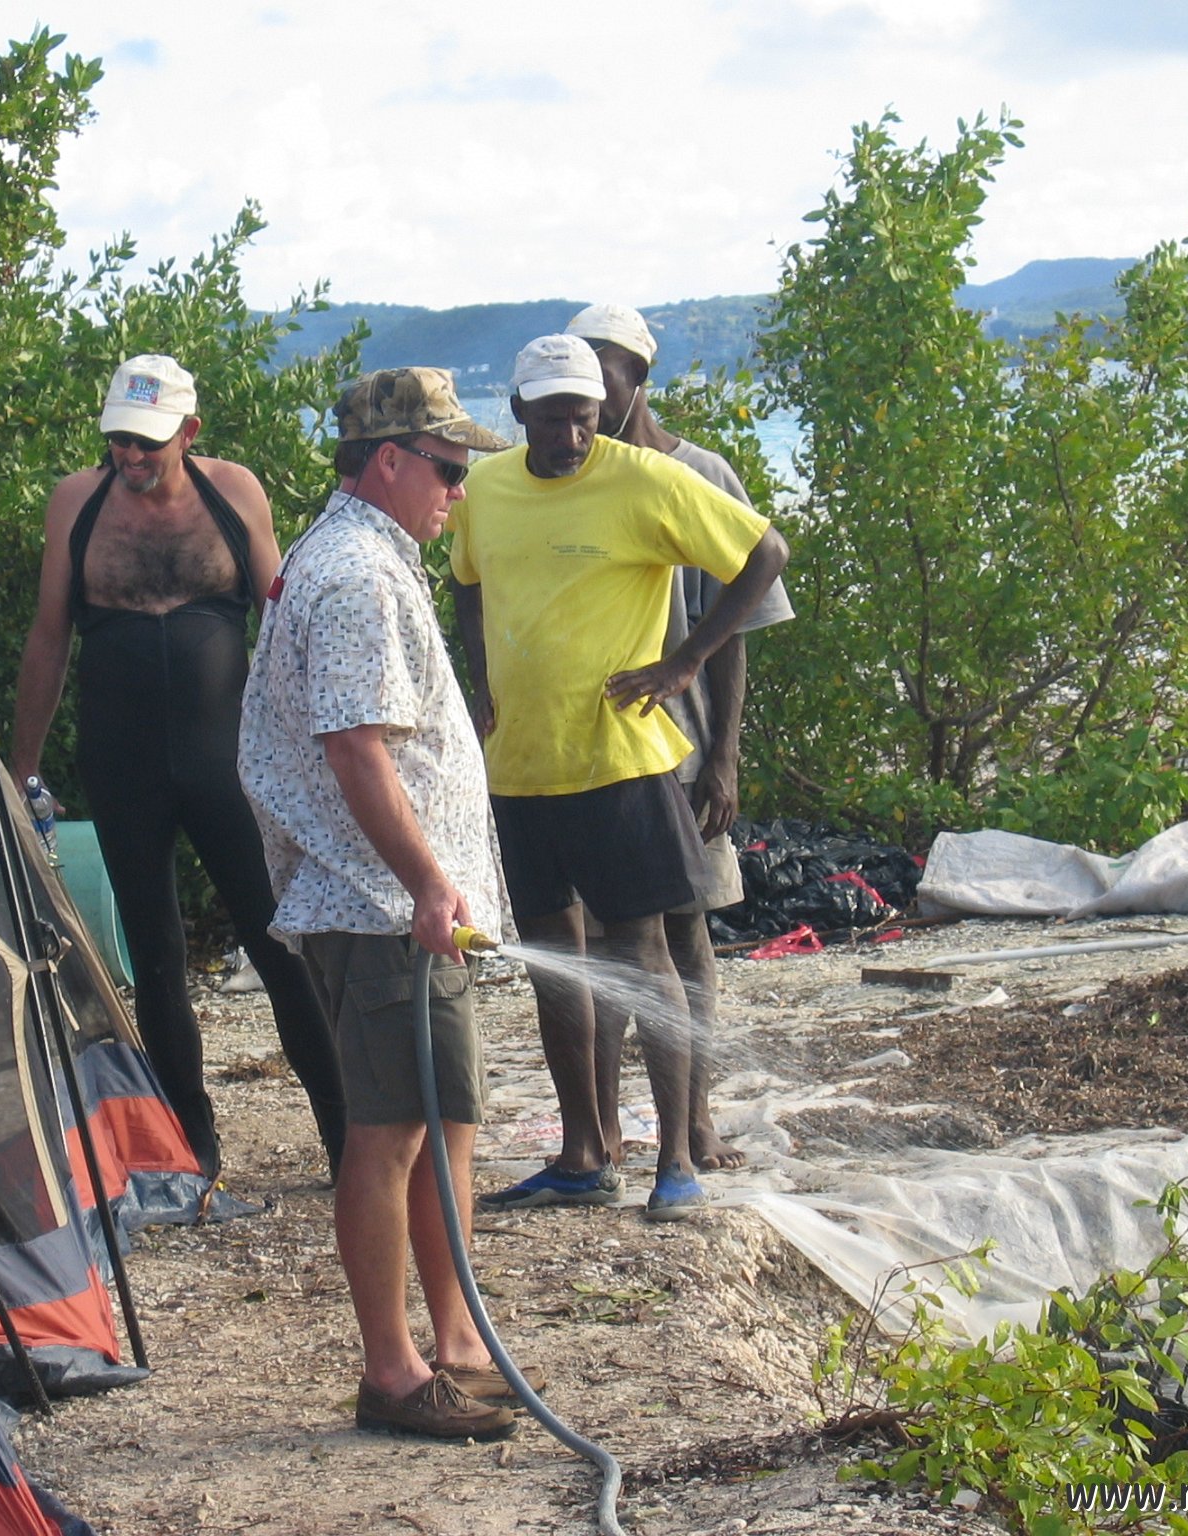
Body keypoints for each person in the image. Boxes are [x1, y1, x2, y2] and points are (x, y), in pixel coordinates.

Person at [449, 334, 788, 1220]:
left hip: (622, 765)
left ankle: (675, 1163)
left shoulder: (642, 478)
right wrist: (479, 681)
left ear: (604, 411)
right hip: (520, 769)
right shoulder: (484, 488)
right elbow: (468, 583)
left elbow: (765, 556)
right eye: (552, 417)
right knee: (557, 964)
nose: (569, 434)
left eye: (584, 416)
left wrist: (684, 664)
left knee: (643, 955)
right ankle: (582, 1153)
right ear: (516, 412)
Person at [238, 367, 516, 1441]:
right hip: (374, 906)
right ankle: (392, 1373)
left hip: (399, 905)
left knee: (445, 1119)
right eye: (447, 468)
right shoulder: (353, 571)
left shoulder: (368, 556)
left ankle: (454, 1343)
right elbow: (353, 750)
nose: (458, 489)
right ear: (388, 460)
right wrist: (424, 881)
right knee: (389, 1129)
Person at [11, 353, 347, 1187]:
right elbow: (50, 637)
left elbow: (287, 624)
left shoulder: (233, 493)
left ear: (189, 433)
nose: (131, 457)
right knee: (155, 957)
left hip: (226, 759)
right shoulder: (76, 505)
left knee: (279, 942)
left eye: (148, 443)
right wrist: (20, 770)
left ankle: (348, 1134)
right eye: (119, 440)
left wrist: (324, 752)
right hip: (121, 757)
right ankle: (192, 1147)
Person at [565, 302, 795, 1172]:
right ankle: (601, 1126)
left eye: (606, 373)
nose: (591, 391)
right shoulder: (561, 476)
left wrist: (725, 756)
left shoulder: (695, 473)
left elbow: (734, 622)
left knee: (685, 928)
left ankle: (691, 1118)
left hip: (681, 745)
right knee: (593, 937)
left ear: (638, 381)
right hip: (584, 750)